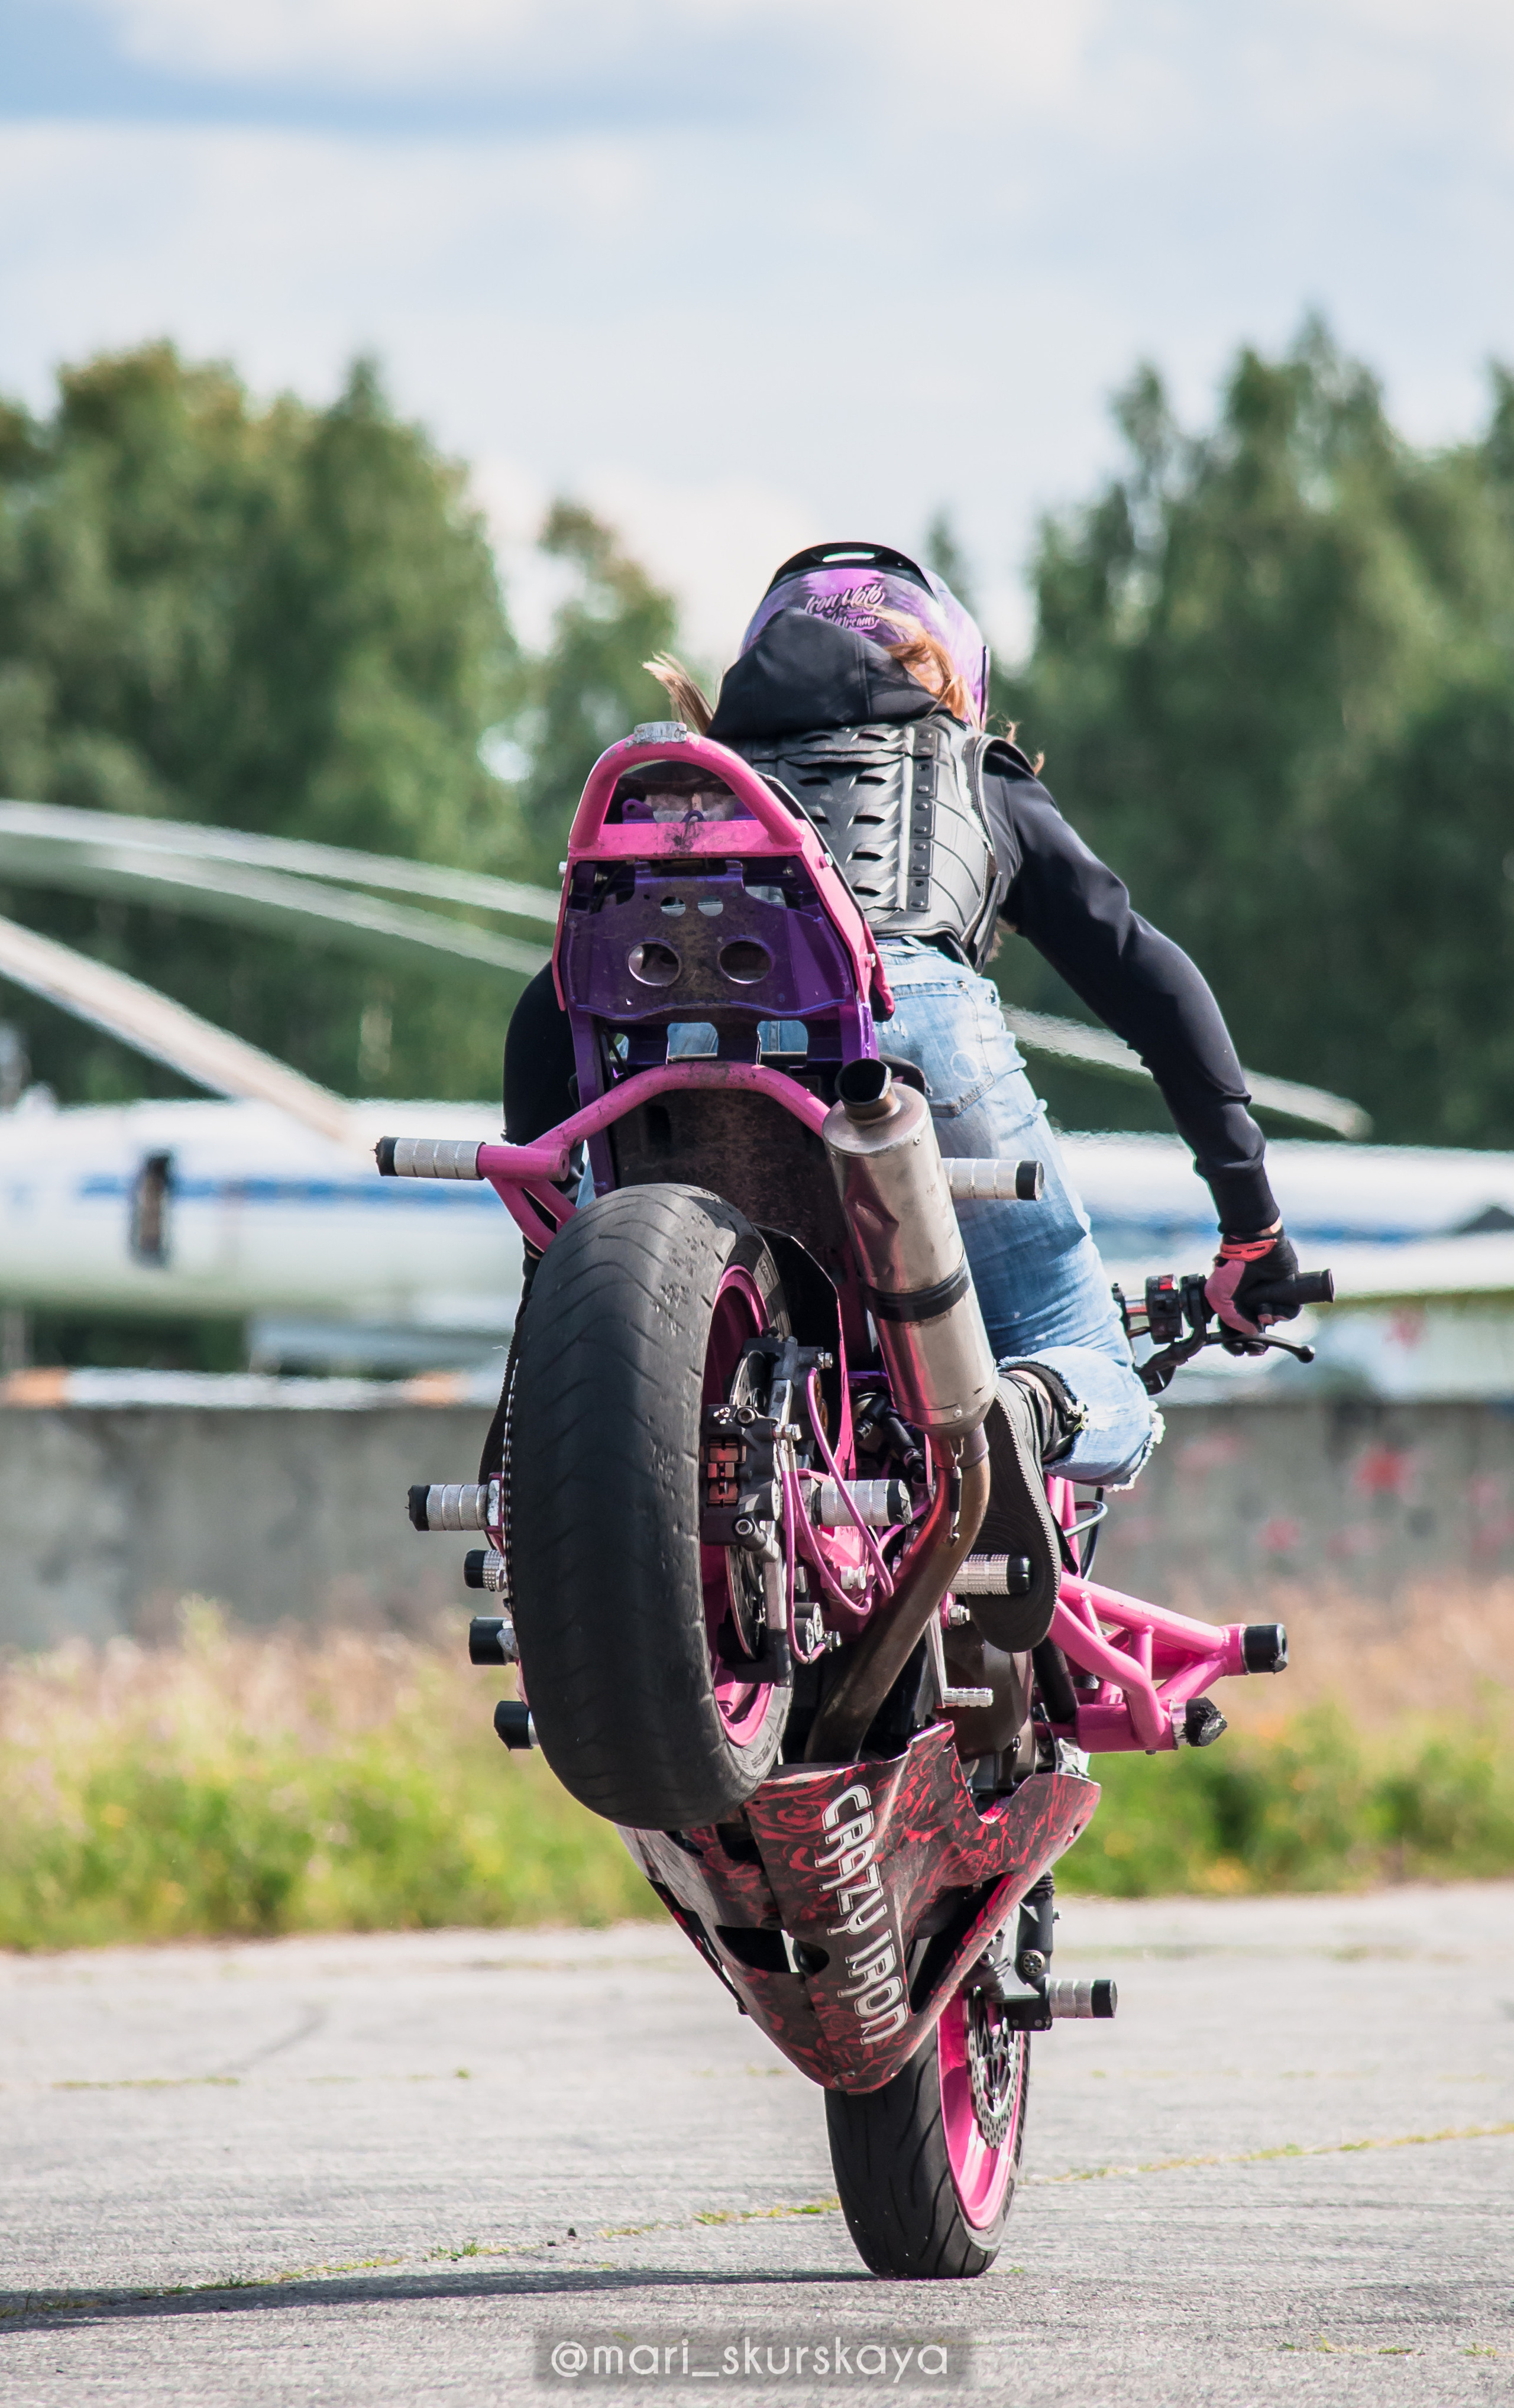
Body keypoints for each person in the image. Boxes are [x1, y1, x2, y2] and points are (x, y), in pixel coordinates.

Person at [503, 540, 1304, 1635]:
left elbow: (545, 1011)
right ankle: (1032, 1410)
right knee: (1081, 1360)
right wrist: (1252, 1229)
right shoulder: (971, 772)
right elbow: (1151, 980)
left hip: (659, 1063)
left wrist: (554, 1276)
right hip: (907, 1025)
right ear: (951, 674)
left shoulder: (689, 799)